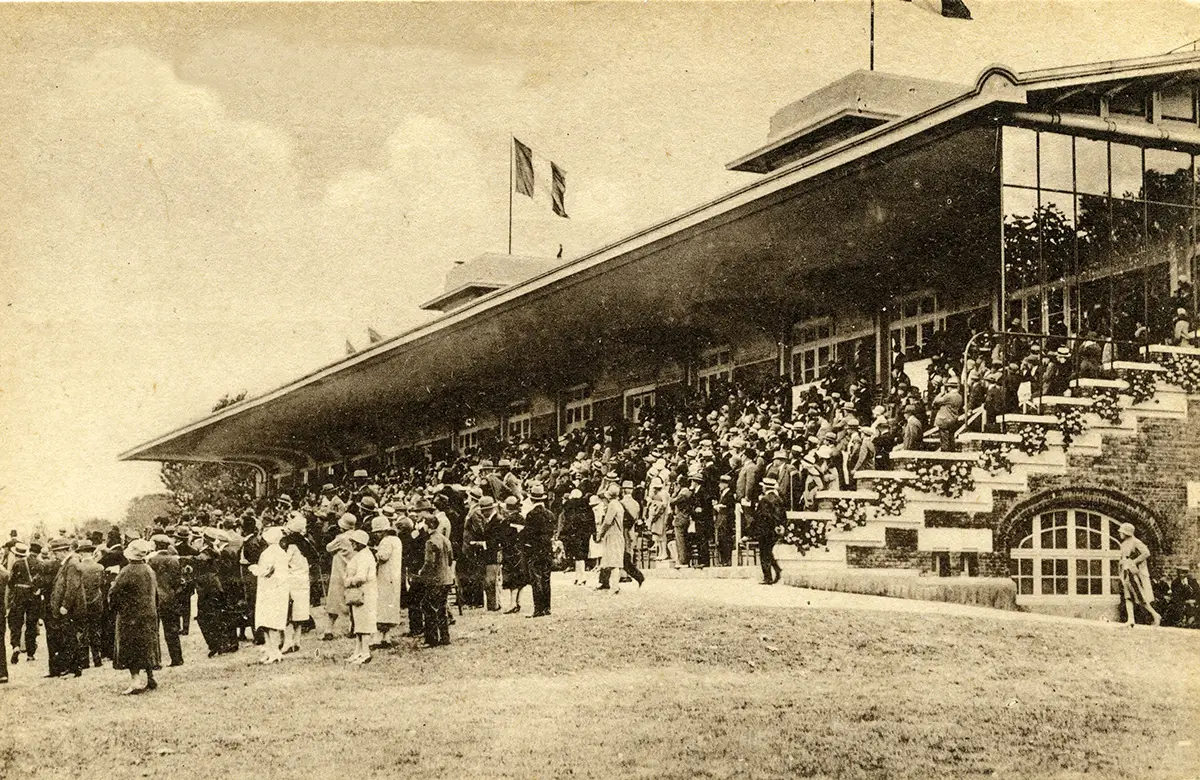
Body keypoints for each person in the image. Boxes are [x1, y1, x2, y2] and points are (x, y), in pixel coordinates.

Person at [109, 539, 162, 695]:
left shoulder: (127, 571)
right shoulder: (149, 570)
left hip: (130, 616)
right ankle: (150, 676)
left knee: (131, 647)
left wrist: (116, 607)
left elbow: (114, 593)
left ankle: (135, 681)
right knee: (147, 645)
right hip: (149, 614)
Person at [250, 526, 290, 664]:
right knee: (269, 623)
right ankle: (271, 651)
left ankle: (274, 652)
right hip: (278, 590)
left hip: (270, 590)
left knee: (269, 623)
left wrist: (254, 569)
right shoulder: (281, 552)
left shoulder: (267, 553)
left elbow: (267, 572)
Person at [147, 535, 185, 668]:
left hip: (156, 598)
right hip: (171, 597)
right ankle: (177, 658)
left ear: (157, 545)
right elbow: (178, 581)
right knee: (172, 630)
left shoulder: (151, 560)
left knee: (154, 631)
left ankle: (156, 662)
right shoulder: (175, 560)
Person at [281, 513, 317, 654]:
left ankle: (288, 642)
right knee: (299, 612)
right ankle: (297, 641)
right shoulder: (306, 543)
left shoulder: (290, 545)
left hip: (291, 579)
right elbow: (314, 558)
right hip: (303, 579)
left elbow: (284, 561)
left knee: (289, 612)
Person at [417, 515, 453, 646]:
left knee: (428, 607)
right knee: (442, 608)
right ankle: (444, 637)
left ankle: (431, 639)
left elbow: (429, 563)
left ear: (428, 526)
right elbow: (450, 558)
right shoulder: (445, 539)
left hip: (435, 580)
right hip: (446, 578)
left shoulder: (430, 542)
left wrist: (421, 572)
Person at [343, 529, 378, 664]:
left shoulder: (364, 556)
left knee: (364, 624)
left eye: (353, 542)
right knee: (358, 623)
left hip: (365, 593)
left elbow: (362, 576)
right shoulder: (362, 555)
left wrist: (349, 580)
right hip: (360, 593)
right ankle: (358, 651)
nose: (352, 544)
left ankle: (365, 652)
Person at [1117, 522, 1161, 627]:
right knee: (1127, 597)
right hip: (1126, 572)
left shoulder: (1136, 542)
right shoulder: (1123, 544)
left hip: (1134, 573)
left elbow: (1146, 553)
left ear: (1126, 532)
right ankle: (1131, 619)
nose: (1120, 534)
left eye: (1122, 532)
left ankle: (1155, 615)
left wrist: (1134, 561)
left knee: (1140, 598)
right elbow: (1122, 558)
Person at [322, 512, 357, 640]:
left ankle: (328, 630)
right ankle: (353, 627)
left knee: (334, 601)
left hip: (339, 572)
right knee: (353, 600)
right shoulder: (357, 536)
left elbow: (328, 547)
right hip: (352, 572)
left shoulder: (341, 538)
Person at [370, 515, 404, 647]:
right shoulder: (397, 540)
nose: (377, 535)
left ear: (383, 531)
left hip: (385, 577)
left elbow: (383, 556)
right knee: (390, 607)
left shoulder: (386, 541)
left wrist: (374, 552)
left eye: (378, 532)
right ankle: (387, 637)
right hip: (394, 577)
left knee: (382, 607)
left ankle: (378, 638)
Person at [523, 483, 556, 617]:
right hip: (547, 549)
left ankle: (538, 608)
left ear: (532, 499)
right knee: (546, 579)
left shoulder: (531, 515)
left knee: (536, 579)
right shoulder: (550, 514)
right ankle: (547, 607)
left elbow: (528, 534)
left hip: (535, 550)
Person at [748, 477, 785, 585]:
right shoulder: (778, 499)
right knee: (768, 552)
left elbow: (762, 516)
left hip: (765, 530)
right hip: (775, 530)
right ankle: (777, 569)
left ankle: (767, 577)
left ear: (765, 487)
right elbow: (783, 515)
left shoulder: (764, 499)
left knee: (764, 553)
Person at [595, 484, 626, 593]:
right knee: (612, 561)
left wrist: (600, 532)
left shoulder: (612, 505)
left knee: (613, 562)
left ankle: (614, 586)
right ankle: (611, 584)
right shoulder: (619, 505)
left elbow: (608, 521)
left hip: (612, 534)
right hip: (617, 534)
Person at [501, 496, 529, 614]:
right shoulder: (522, 519)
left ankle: (512, 603)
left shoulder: (506, 521)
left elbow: (503, 538)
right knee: (521, 577)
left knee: (512, 578)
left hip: (510, 552)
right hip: (521, 551)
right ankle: (518, 602)